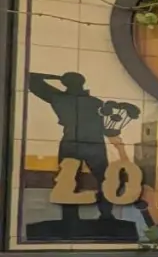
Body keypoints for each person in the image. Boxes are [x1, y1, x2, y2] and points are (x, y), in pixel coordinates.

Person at [27, 71, 113, 221]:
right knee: (104, 180)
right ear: (82, 83)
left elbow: (32, 80)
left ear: (65, 84)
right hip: (94, 144)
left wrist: (57, 77)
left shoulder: (58, 98)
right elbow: (104, 128)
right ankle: (106, 215)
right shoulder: (96, 102)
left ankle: (70, 218)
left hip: (71, 142)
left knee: (67, 182)